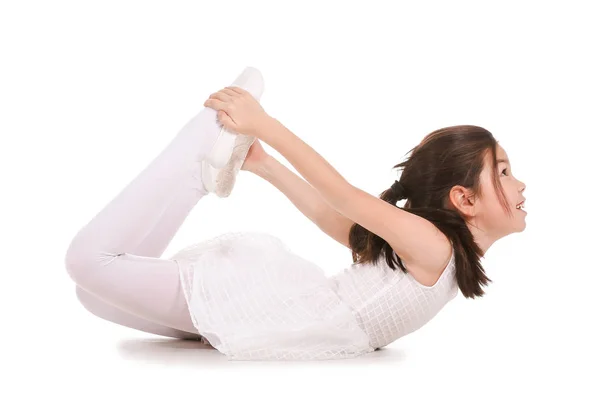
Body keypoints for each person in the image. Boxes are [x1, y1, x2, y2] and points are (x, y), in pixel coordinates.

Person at [65, 67, 527, 361]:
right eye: (504, 172)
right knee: (87, 264)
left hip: (284, 323)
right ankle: (195, 154)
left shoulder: (433, 253)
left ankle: (199, 178)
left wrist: (264, 165)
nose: (520, 184)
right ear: (464, 199)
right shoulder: (433, 245)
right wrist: (263, 125)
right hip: (280, 310)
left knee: (95, 295)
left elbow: (335, 221)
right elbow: (342, 197)